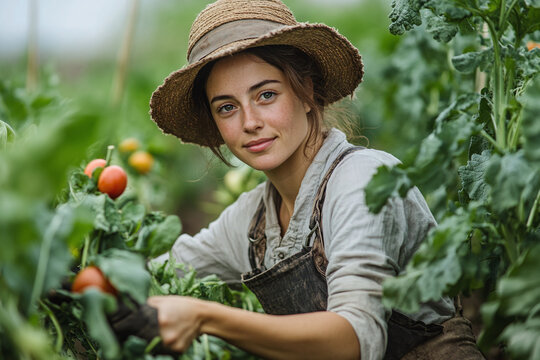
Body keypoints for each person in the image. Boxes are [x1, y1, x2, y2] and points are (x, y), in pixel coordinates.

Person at [145, 0, 485, 359]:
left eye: (266, 95)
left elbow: (353, 339)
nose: (249, 122)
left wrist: (206, 317)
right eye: (227, 107)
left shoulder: (363, 180)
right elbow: (160, 271)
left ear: (306, 92)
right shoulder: (250, 222)